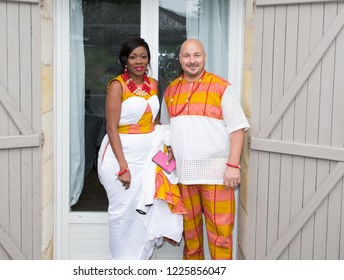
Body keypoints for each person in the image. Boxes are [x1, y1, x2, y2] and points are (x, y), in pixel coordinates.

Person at [160, 38, 250, 260]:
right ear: (180, 60)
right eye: (187, 56)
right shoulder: (171, 90)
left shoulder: (222, 87)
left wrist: (233, 165)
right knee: (191, 238)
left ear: (204, 57)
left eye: (196, 55)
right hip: (184, 176)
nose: (192, 61)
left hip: (217, 175)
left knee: (221, 235)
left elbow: (237, 129)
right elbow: (166, 130)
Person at [97, 37, 184, 260]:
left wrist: (166, 146)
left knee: (145, 213)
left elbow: (154, 122)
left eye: (143, 56)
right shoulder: (117, 86)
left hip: (147, 159)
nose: (139, 61)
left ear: (148, 60)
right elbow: (111, 127)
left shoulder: (153, 84)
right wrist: (123, 167)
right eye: (133, 56)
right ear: (125, 60)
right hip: (121, 157)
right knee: (122, 214)